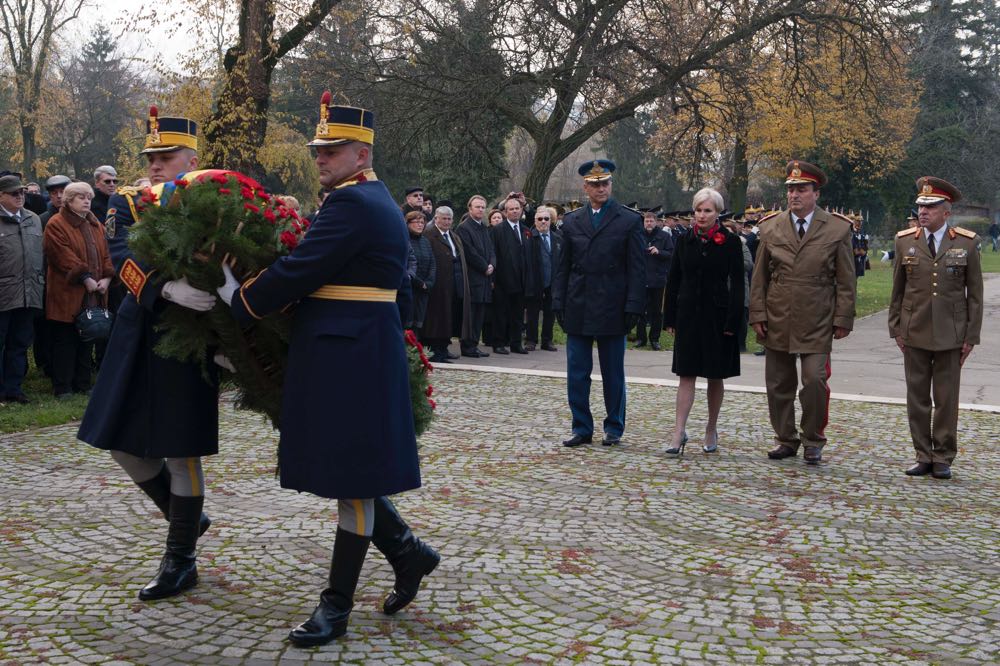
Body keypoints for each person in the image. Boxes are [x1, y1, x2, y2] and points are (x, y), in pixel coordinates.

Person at [217, 93, 437, 646]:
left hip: (349, 354)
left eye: (332, 149)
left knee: (352, 482)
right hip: (358, 348)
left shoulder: (352, 203)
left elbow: (302, 269)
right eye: (319, 148)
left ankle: (335, 607)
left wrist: (240, 299)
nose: (320, 156)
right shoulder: (368, 198)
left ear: (361, 154)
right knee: (352, 471)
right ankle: (409, 554)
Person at [77, 108, 219, 602]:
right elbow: (120, 256)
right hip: (139, 331)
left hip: (189, 337)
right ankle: (187, 518)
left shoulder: (215, 202)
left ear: (192, 158)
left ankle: (180, 561)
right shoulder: (129, 200)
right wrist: (165, 288)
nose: (156, 165)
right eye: (151, 157)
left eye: (167, 156)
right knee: (120, 442)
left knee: (182, 447)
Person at [749, 160, 856, 466]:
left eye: (802, 189)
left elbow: (846, 280)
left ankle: (813, 439)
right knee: (779, 384)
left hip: (817, 318)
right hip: (778, 315)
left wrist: (843, 318)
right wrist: (758, 314)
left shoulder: (837, 228)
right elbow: (759, 278)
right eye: (791, 189)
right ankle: (785, 438)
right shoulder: (770, 226)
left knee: (814, 381)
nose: (795, 195)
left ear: (816, 193)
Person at [888, 177, 982, 480]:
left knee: (946, 398)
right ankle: (922, 454)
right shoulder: (905, 241)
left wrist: (971, 336)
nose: (922, 212)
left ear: (946, 210)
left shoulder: (966, 242)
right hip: (914, 329)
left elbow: (975, 294)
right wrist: (896, 328)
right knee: (917, 397)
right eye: (920, 206)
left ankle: (943, 456)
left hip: (951, 333)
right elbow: (897, 290)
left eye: (930, 206)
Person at [552, 159, 645, 447]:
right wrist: (558, 302)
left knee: (612, 372)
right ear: (585, 188)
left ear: (611, 185)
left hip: (612, 304)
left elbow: (637, 268)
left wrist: (633, 306)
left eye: (604, 183)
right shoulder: (571, 221)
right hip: (578, 302)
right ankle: (581, 426)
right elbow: (562, 267)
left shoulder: (629, 220)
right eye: (594, 184)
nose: (600, 188)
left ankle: (614, 427)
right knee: (577, 373)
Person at [663, 189, 745, 455]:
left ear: (717, 213)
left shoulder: (731, 242)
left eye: (707, 210)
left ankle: (711, 427)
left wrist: (734, 320)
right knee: (685, 374)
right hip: (688, 315)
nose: (701, 215)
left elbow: (737, 286)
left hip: (718, 317)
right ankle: (678, 431)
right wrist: (670, 317)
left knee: (714, 375)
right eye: (698, 210)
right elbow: (673, 280)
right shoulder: (683, 241)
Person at [41, 182, 114, 397]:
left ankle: (83, 383)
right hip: (67, 293)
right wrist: (85, 277)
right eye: (81, 197)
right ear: (69, 200)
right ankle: (62, 386)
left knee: (88, 339)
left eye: (89, 197)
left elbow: (107, 254)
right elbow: (62, 256)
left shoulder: (95, 224)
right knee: (65, 340)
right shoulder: (56, 223)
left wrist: (108, 277)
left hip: (94, 291)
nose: (86, 201)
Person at [0, 174, 44, 403]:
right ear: (1, 196)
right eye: (14, 193)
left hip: (29, 291)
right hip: (3, 293)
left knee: (20, 343)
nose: (20, 197)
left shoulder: (33, 219)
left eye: (22, 193)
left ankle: (14, 389)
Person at [423, 206, 472, 363]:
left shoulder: (453, 236)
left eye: (449, 219)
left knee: (449, 316)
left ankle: (444, 348)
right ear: (436, 218)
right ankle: (436, 351)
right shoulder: (429, 235)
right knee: (437, 318)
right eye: (443, 218)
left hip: (454, 283)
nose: (447, 221)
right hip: (437, 283)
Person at [490, 197, 531, 354]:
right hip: (502, 280)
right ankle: (498, 343)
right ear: (505, 212)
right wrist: (493, 279)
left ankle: (516, 343)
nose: (515, 211)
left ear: (521, 210)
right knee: (500, 314)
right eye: (511, 209)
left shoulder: (525, 230)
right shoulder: (498, 230)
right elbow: (493, 254)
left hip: (521, 280)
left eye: (517, 208)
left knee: (518, 315)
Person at [455, 195, 493, 357]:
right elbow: (469, 252)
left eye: (483, 207)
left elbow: (491, 250)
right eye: (477, 207)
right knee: (471, 314)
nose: (480, 210)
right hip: (473, 278)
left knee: (480, 315)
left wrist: (492, 264)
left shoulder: (484, 227)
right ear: (470, 208)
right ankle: (467, 346)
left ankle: (475, 344)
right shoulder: (464, 228)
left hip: (485, 278)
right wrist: (485, 267)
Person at [635, 207, 673, 350]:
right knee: (640, 310)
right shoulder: (638, 235)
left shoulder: (664, 237)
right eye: (646, 221)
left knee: (656, 312)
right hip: (641, 278)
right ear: (643, 222)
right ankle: (640, 338)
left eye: (651, 221)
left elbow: (671, 254)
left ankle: (655, 339)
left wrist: (659, 252)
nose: (649, 223)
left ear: (656, 222)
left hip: (657, 279)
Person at [525, 205, 561, 351]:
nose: (543, 221)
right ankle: (531, 340)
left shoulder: (558, 238)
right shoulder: (528, 238)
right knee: (532, 313)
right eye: (540, 219)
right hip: (535, 282)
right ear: (535, 221)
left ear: (550, 221)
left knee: (550, 314)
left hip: (552, 282)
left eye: (546, 219)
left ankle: (547, 340)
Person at [405, 210, 435, 332]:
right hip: (410, 287)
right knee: (407, 323)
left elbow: (432, 263)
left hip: (424, 289)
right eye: (416, 222)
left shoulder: (425, 241)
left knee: (418, 324)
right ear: (407, 223)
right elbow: (407, 264)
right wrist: (418, 282)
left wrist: (429, 283)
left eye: (422, 222)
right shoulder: (404, 239)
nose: (420, 224)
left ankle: (415, 350)